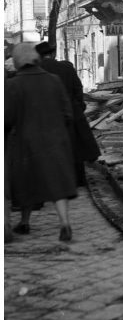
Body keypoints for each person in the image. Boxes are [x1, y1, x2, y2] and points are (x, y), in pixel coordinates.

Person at [5, 43, 77, 241]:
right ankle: (65, 223)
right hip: (56, 139)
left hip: (26, 141)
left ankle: (25, 222)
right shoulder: (54, 80)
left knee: (26, 183)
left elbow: (8, 117)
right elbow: (67, 113)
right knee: (58, 183)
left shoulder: (14, 84)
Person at [36, 42, 100, 186]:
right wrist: (78, 107)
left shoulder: (37, 70)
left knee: (52, 150)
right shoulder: (66, 67)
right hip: (71, 112)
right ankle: (78, 180)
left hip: (47, 115)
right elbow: (78, 88)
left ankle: (56, 181)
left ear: (39, 56)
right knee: (75, 148)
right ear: (53, 53)